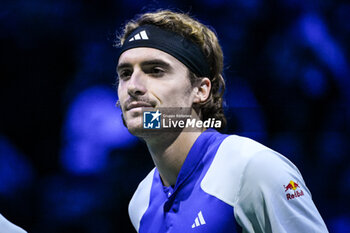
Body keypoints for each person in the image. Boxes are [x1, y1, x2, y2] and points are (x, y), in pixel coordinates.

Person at [115, 10, 328, 233]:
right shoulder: (140, 202)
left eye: (156, 70)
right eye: (126, 73)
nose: (133, 86)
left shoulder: (255, 168)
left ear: (200, 90)